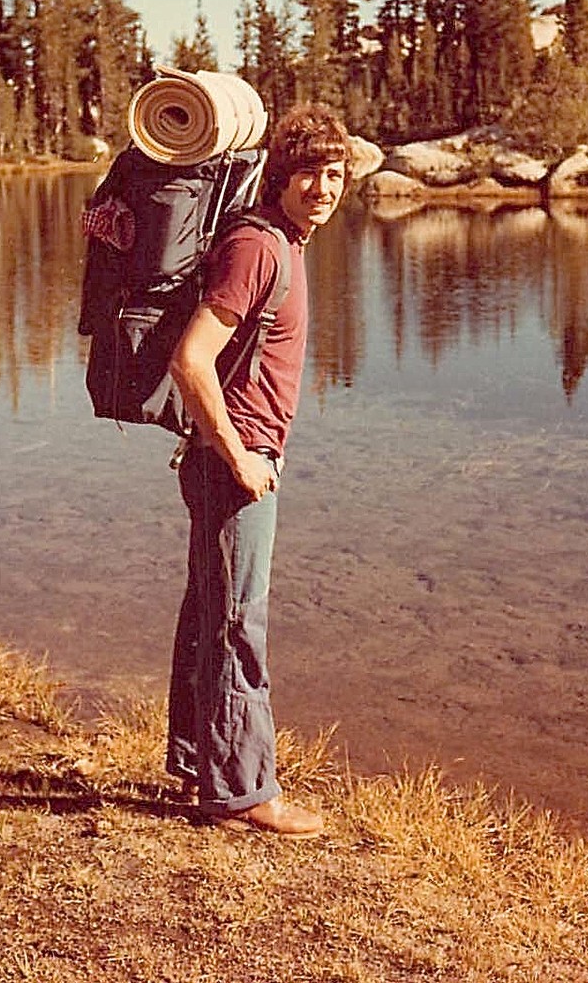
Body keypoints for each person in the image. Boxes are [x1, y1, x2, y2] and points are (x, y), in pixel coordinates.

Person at [165, 102, 352, 838]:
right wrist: (239, 454)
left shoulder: (281, 240)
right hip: (230, 462)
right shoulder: (259, 249)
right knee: (240, 624)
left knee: (208, 617)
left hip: (226, 459)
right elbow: (191, 359)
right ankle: (246, 793)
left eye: (335, 174)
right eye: (309, 171)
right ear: (280, 174)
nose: (324, 186)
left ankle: (196, 766)